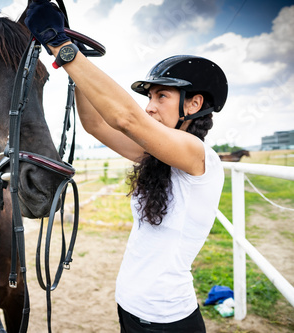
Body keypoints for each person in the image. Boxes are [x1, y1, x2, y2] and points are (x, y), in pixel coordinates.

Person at [25, 1, 228, 332]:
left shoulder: (198, 155)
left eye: (161, 97)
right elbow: (96, 124)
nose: (149, 107)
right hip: (130, 310)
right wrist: (79, 69)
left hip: (167, 322)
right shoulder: (158, 157)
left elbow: (125, 118)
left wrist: (62, 46)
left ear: (194, 104)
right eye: (149, 98)